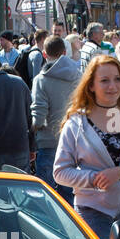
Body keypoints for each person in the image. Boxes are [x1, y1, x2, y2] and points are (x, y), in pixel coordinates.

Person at [54, 55, 120, 239]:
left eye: (117, 79)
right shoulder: (76, 124)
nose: (112, 86)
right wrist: (94, 179)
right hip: (92, 211)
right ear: (91, 86)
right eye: (104, 80)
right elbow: (60, 172)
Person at [31, 35, 81, 200]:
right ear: (65, 52)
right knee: (69, 194)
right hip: (74, 141)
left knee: (46, 196)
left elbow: (39, 115)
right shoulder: (79, 75)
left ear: (44, 54)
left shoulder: (41, 79)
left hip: (48, 140)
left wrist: (33, 131)